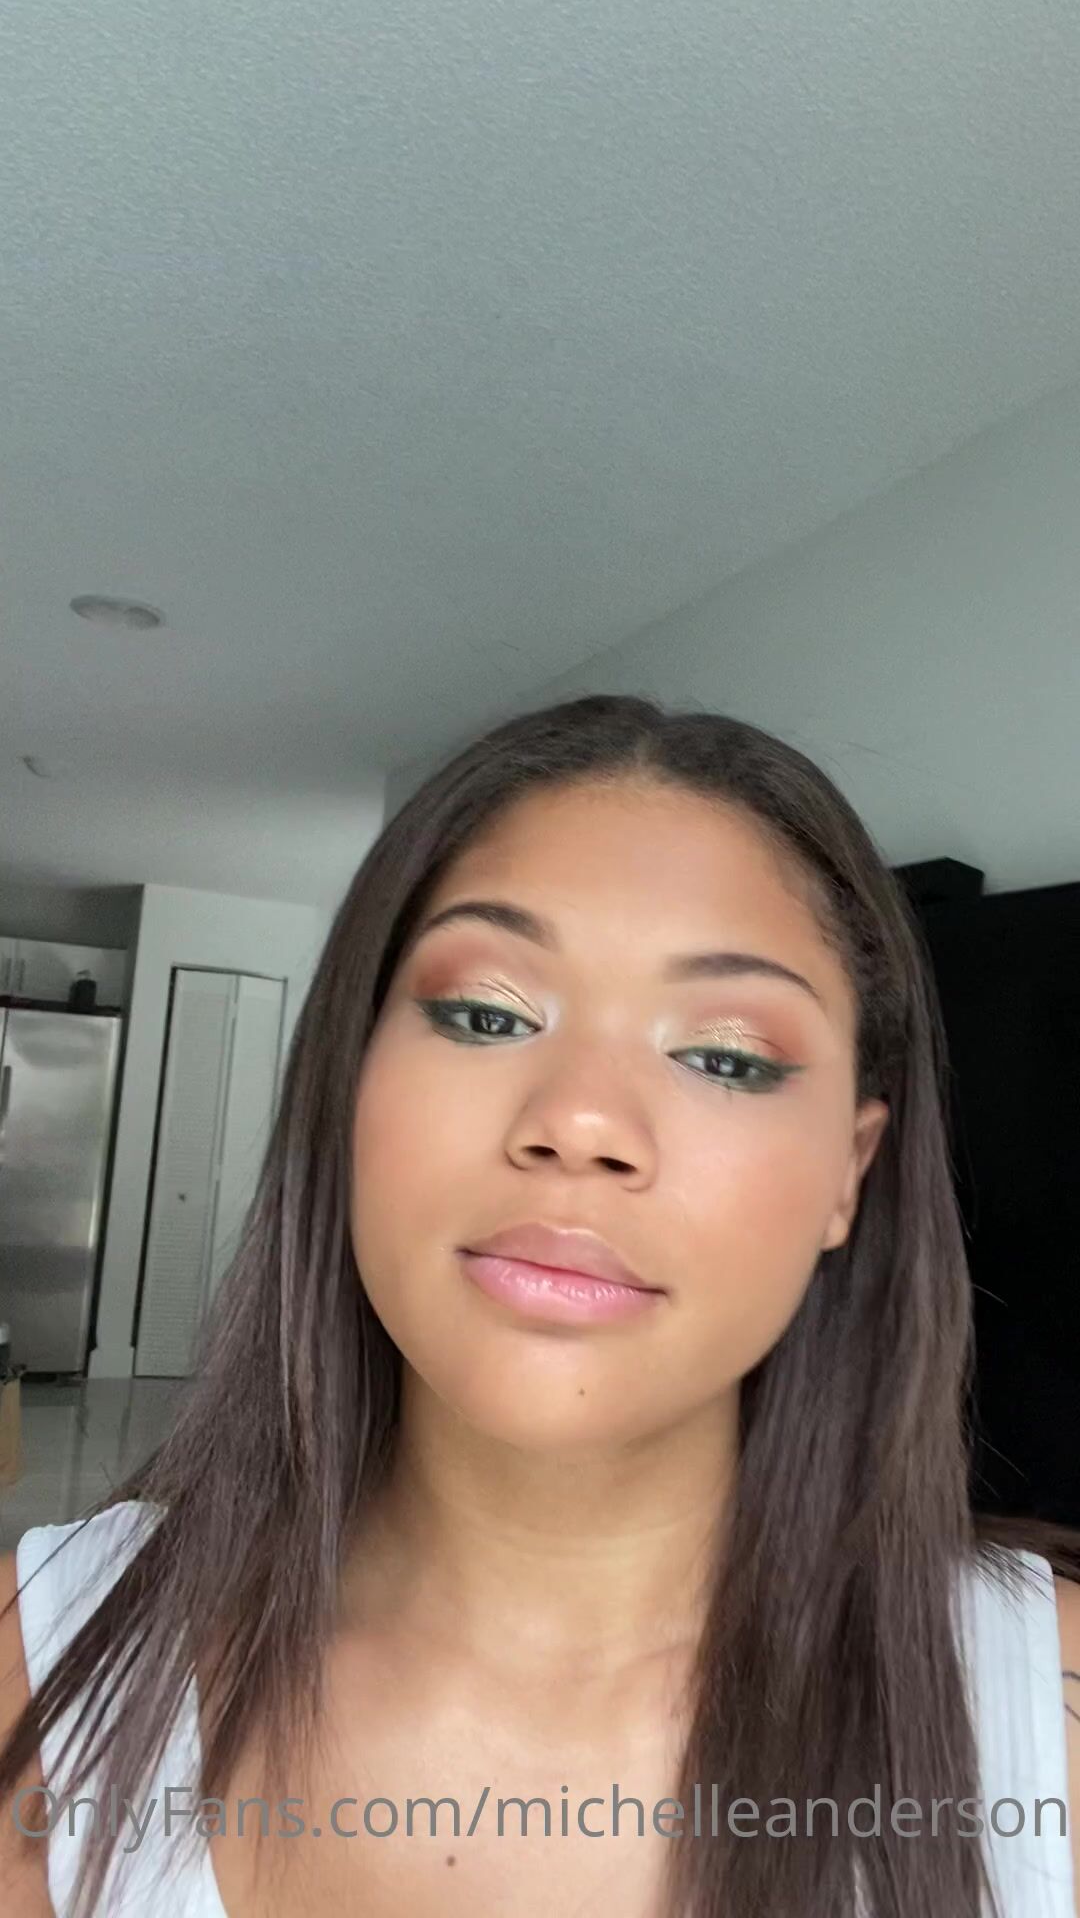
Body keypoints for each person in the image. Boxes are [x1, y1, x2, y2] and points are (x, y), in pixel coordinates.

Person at [1, 692, 1078, 1917]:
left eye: (724, 1055)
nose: (580, 1120)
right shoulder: (45, 1657)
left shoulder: (1044, 1716)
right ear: (349, 1081)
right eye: (486, 1014)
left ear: (850, 1170)